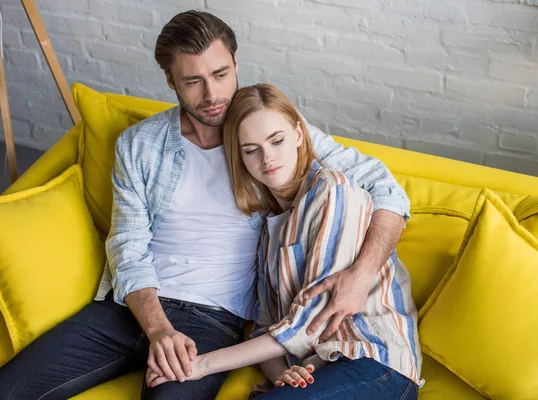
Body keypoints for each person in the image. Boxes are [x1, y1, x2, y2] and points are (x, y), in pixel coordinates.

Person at [0, 10, 411, 400]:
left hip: (211, 320)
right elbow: (126, 246)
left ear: (235, 64)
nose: (213, 94)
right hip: (129, 307)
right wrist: (159, 329)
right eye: (193, 81)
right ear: (170, 80)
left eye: (221, 74)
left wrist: (362, 273)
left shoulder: (269, 130)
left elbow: (385, 188)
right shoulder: (140, 144)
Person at [146, 83, 423, 399]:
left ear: (299, 136)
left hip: (373, 364)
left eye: (276, 141)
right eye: (251, 150)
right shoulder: (266, 227)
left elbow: (307, 325)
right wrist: (282, 374)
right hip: (318, 372)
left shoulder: (332, 192)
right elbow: (267, 326)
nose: (268, 158)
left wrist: (199, 365)